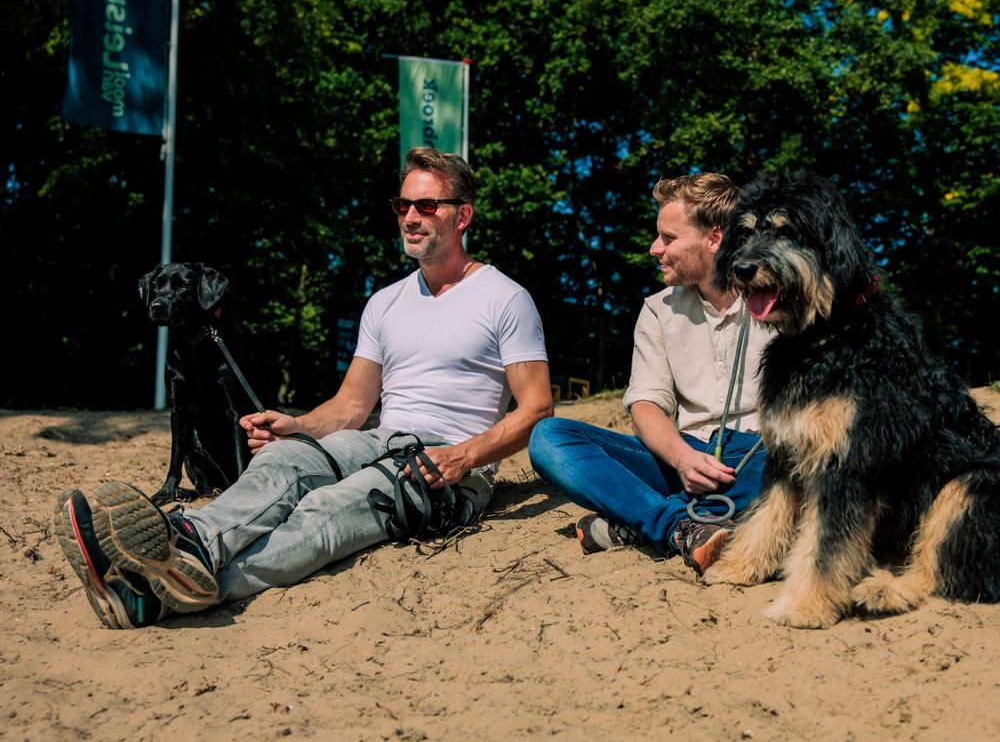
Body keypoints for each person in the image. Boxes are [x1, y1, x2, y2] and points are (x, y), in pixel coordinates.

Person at [53, 148, 553, 629]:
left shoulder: (504, 298)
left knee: (332, 506)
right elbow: (353, 405)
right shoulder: (384, 302)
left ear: (462, 216)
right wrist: (296, 426)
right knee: (281, 462)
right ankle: (189, 538)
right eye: (403, 205)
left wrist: (464, 457)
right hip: (383, 436)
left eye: (427, 205)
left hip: (453, 465)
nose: (410, 217)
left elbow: (537, 408)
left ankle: (163, 593)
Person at [529, 173, 771, 575]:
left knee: (800, 461)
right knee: (549, 438)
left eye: (669, 238)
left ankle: (640, 522)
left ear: (715, 239)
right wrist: (683, 459)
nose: (654, 248)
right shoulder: (658, 309)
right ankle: (680, 525)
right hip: (684, 461)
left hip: (763, 454)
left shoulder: (783, 297)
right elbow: (645, 404)